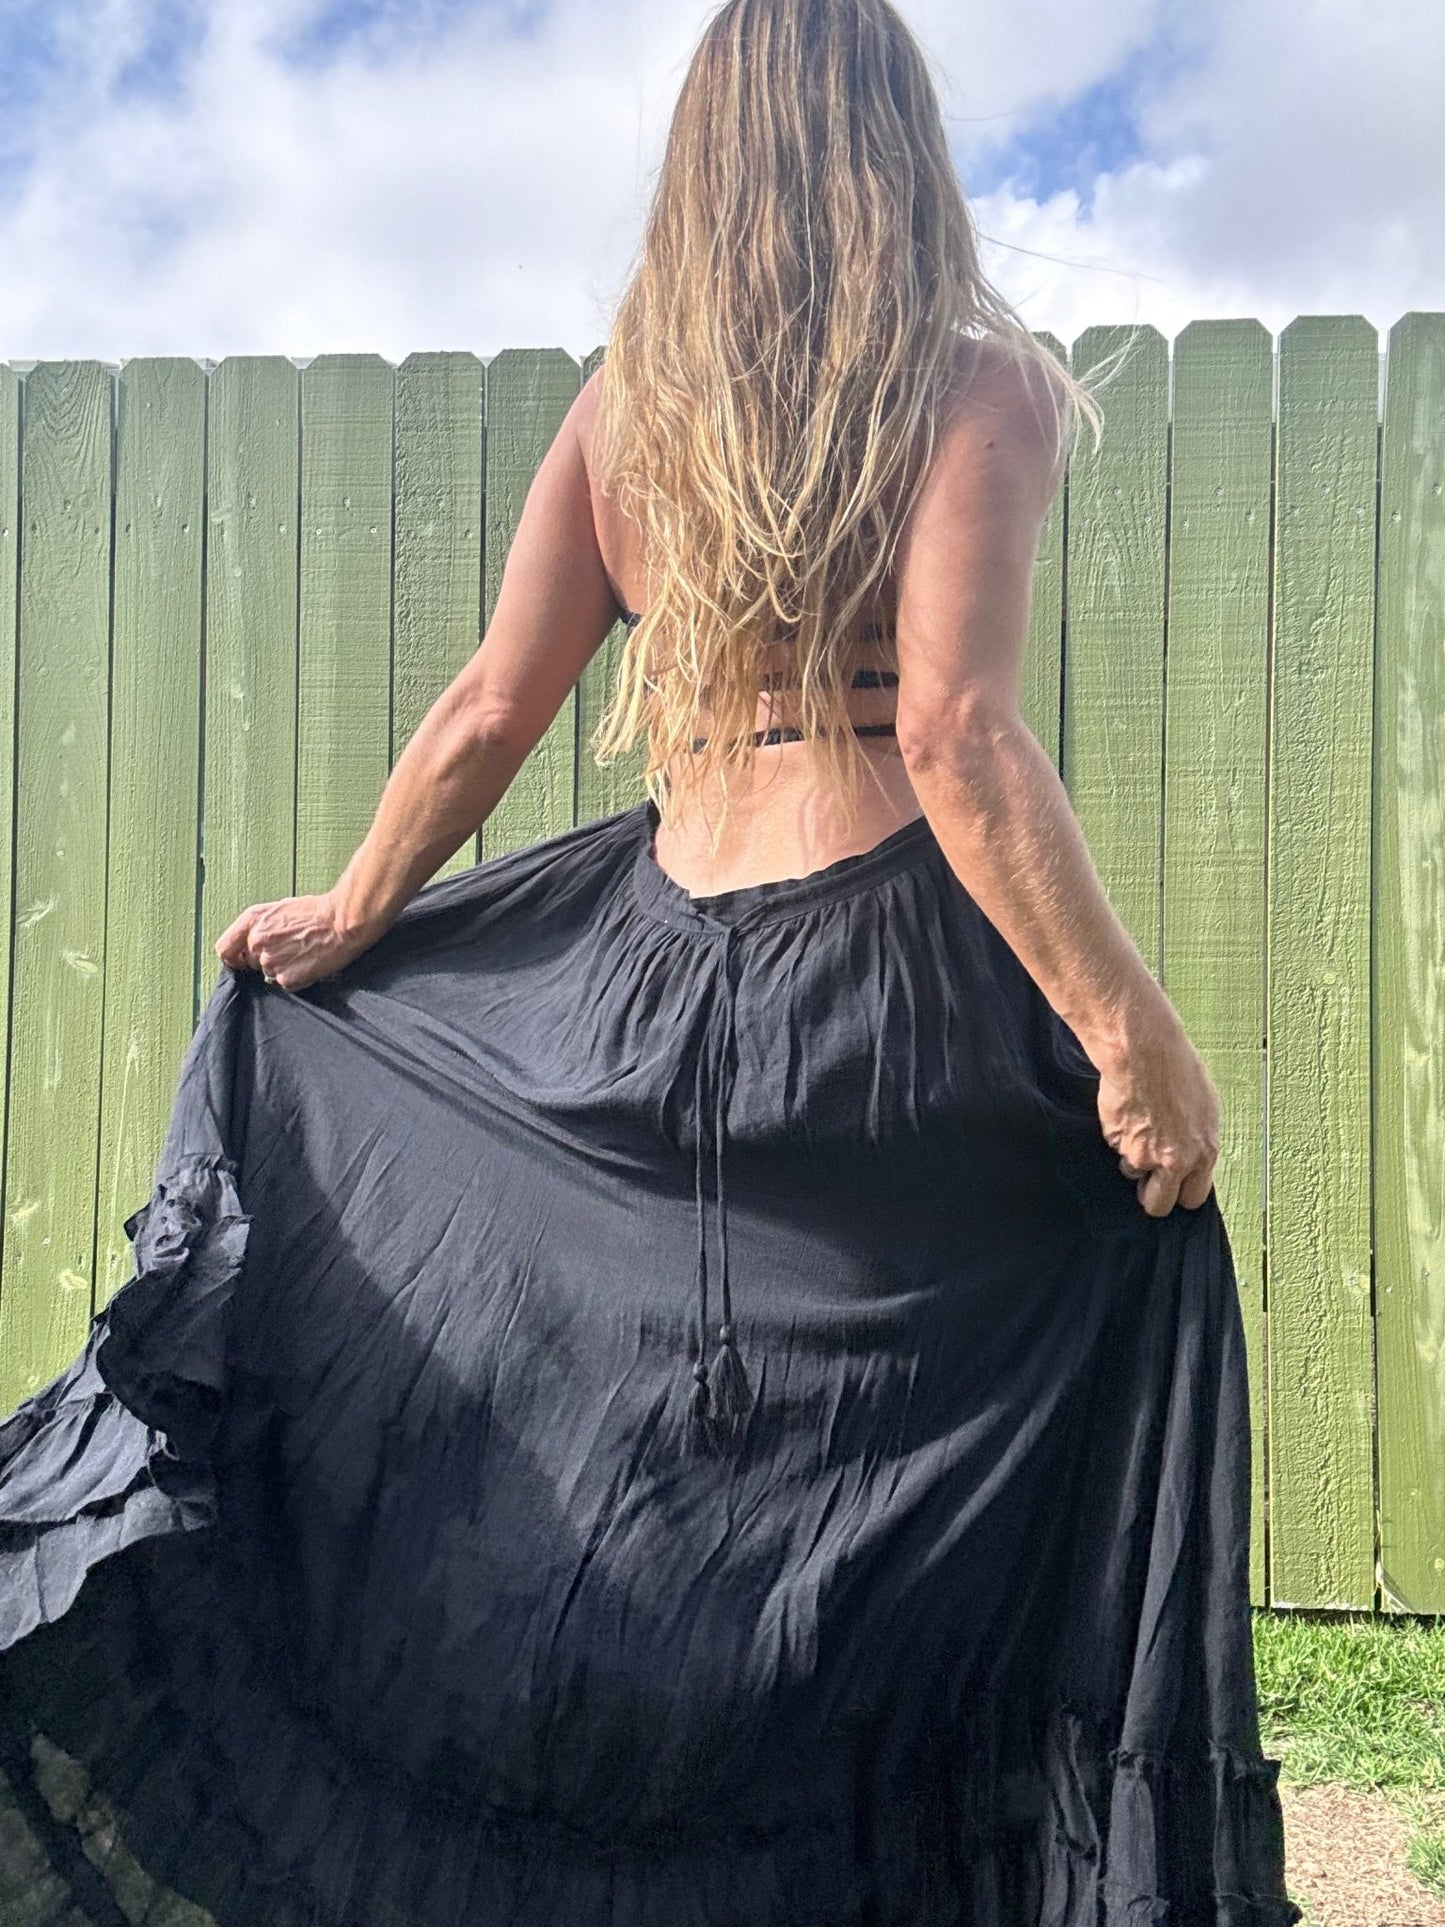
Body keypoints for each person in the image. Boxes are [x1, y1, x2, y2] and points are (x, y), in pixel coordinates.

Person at [0, 0, 1301, 1921]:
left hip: (647, 973)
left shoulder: (633, 413)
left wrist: (355, 910)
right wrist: (1129, 1037)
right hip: (887, 986)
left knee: (656, 1453)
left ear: (701, 162)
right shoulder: (977, 386)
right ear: (896, 148)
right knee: (957, 1392)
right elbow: (952, 730)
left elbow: (490, 703)